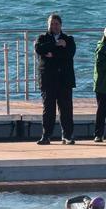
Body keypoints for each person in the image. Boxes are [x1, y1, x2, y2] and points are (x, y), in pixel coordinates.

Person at [34, 13, 77, 145]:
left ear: (61, 25)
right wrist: (56, 44)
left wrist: (53, 53)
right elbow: (39, 49)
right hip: (48, 80)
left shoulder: (68, 39)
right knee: (48, 109)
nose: (54, 26)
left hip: (64, 80)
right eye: (51, 24)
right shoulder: (42, 38)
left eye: (56, 23)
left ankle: (67, 135)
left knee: (66, 109)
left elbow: (70, 54)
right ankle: (46, 136)